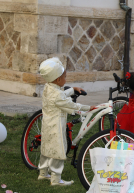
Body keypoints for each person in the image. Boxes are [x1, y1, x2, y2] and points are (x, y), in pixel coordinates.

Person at [38, 57, 95, 186]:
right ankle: (56, 179)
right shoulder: (57, 95)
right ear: (58, 79)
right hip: (56, 126)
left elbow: (60, 94)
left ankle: (43, 173)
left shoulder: (48, 87)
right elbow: (71, 106)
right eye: (64, 77)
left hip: (47, 124)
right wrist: (88, 108)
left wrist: (71, 89)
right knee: (59, 150)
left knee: (46, 148)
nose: (65, 79)